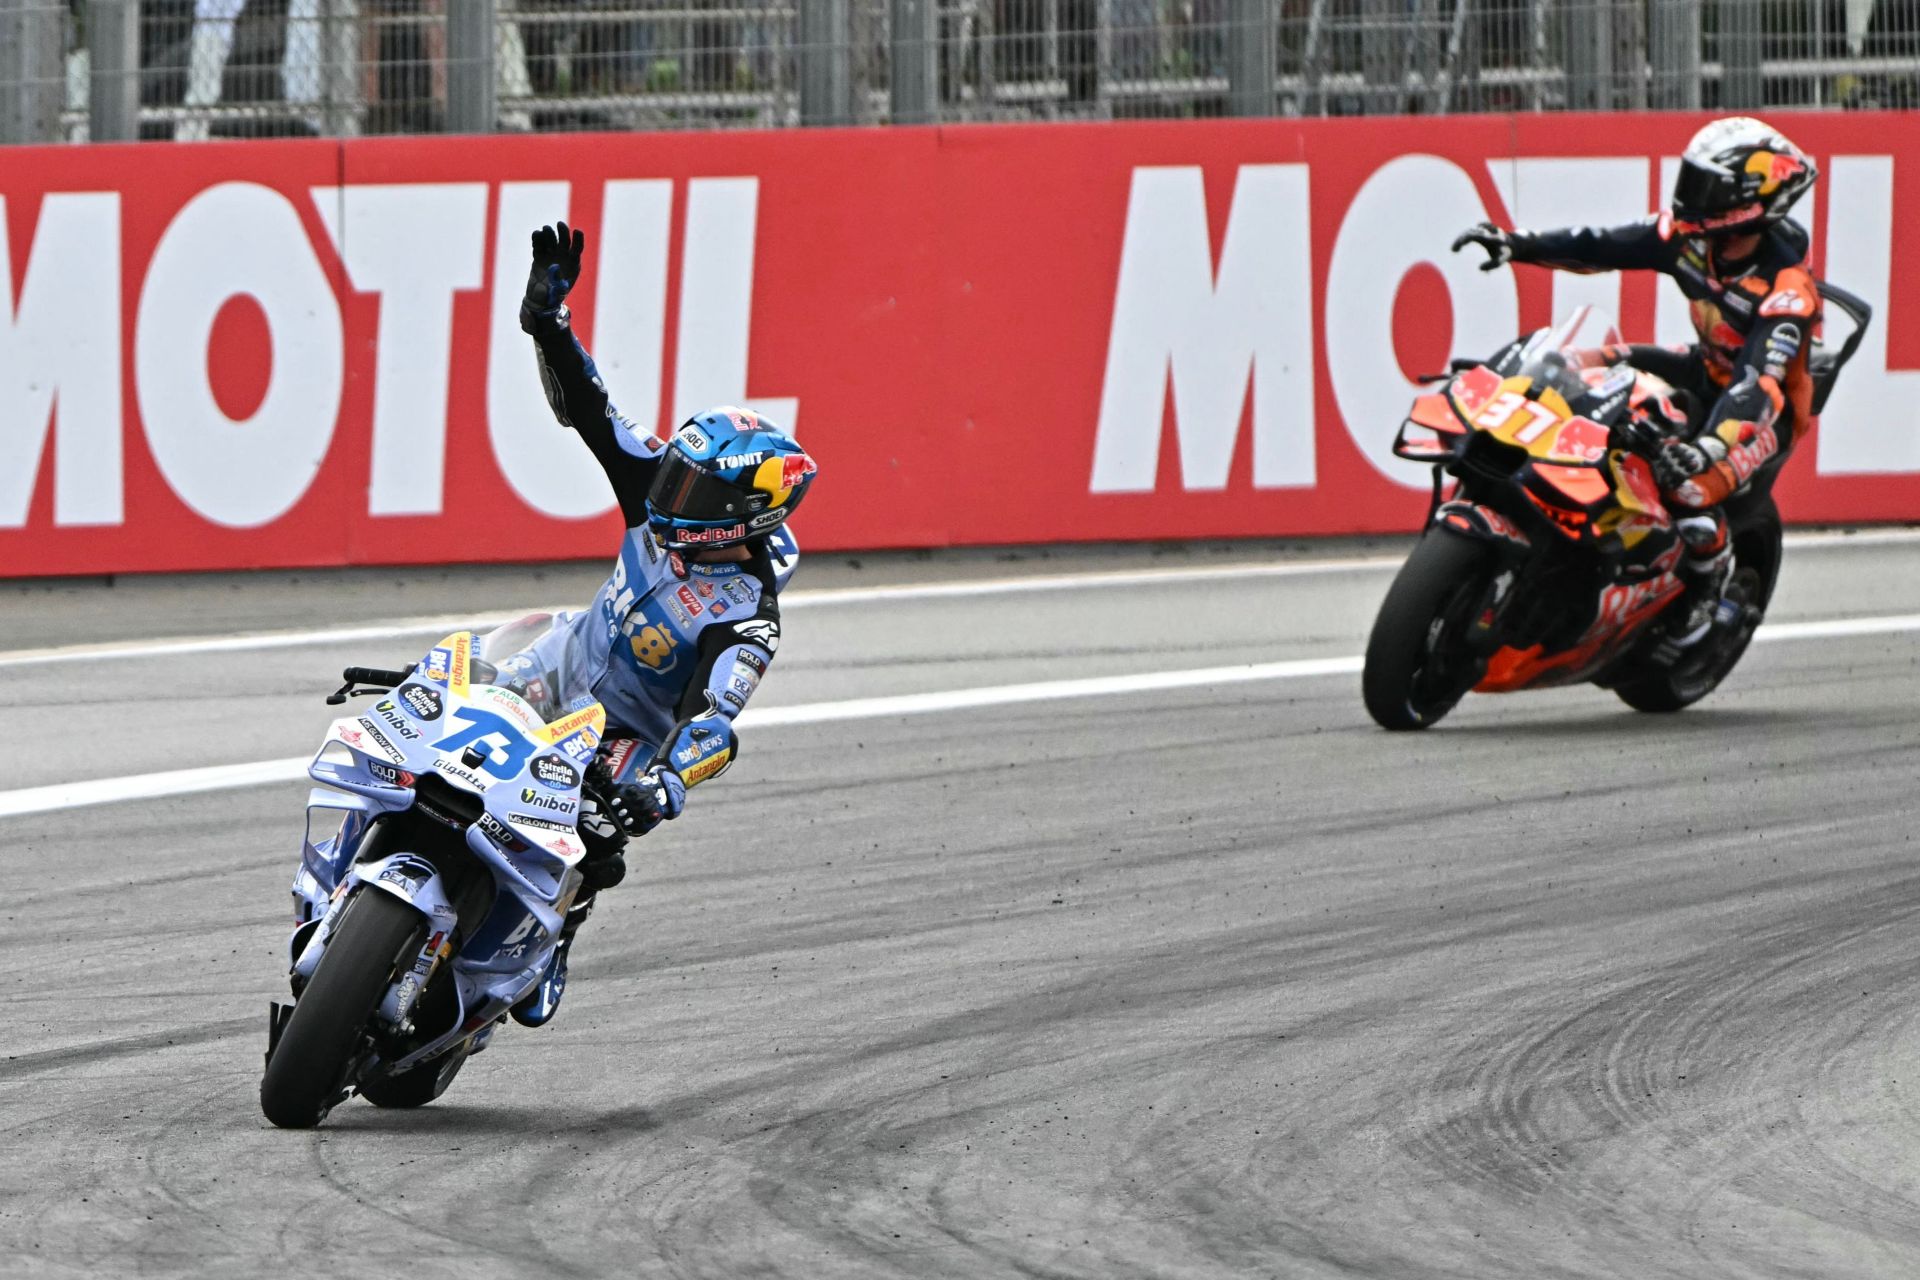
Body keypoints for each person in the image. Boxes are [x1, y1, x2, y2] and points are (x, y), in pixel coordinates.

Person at [500, 221, 816, 1026]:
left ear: (738, 518)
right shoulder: (660, 479)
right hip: (556, 661)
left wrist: (664, 785)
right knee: (428, 729)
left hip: (619, 737)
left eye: (691, 490)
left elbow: (716, 723)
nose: (665, 493)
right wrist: (548, 321)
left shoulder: (748, 616)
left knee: (587, 838)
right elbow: (593, 410)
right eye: (673, 470)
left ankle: (550, 934)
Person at [1452, 116, 1822, 645]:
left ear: (1748, 204)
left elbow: (1759, 383)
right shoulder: (1692, 241)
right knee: (1577, 365)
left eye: (1706, 187)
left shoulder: (1787, 291)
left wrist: (1711, 446)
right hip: (1707, 366)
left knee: (1689, 486)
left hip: (1765, 409)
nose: (1690, 197)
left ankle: (1707, 586)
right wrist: (1517, 245)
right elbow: (1602, 245)